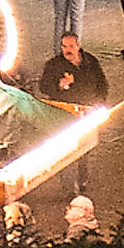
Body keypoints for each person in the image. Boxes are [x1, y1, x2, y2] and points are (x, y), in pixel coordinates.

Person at [38, 33, 108, 193]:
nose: (67, 50)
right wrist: (60, 85)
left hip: (87, 113)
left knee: (84, 149)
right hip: (65, 114)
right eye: (64, 46)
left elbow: (102, 84)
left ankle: (83, 181)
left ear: (78, 46)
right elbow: (44, 87)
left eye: (70, 46)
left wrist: (99, 104)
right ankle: (69, 187)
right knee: (67, 151)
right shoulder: (54, 65)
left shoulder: (90, 62)